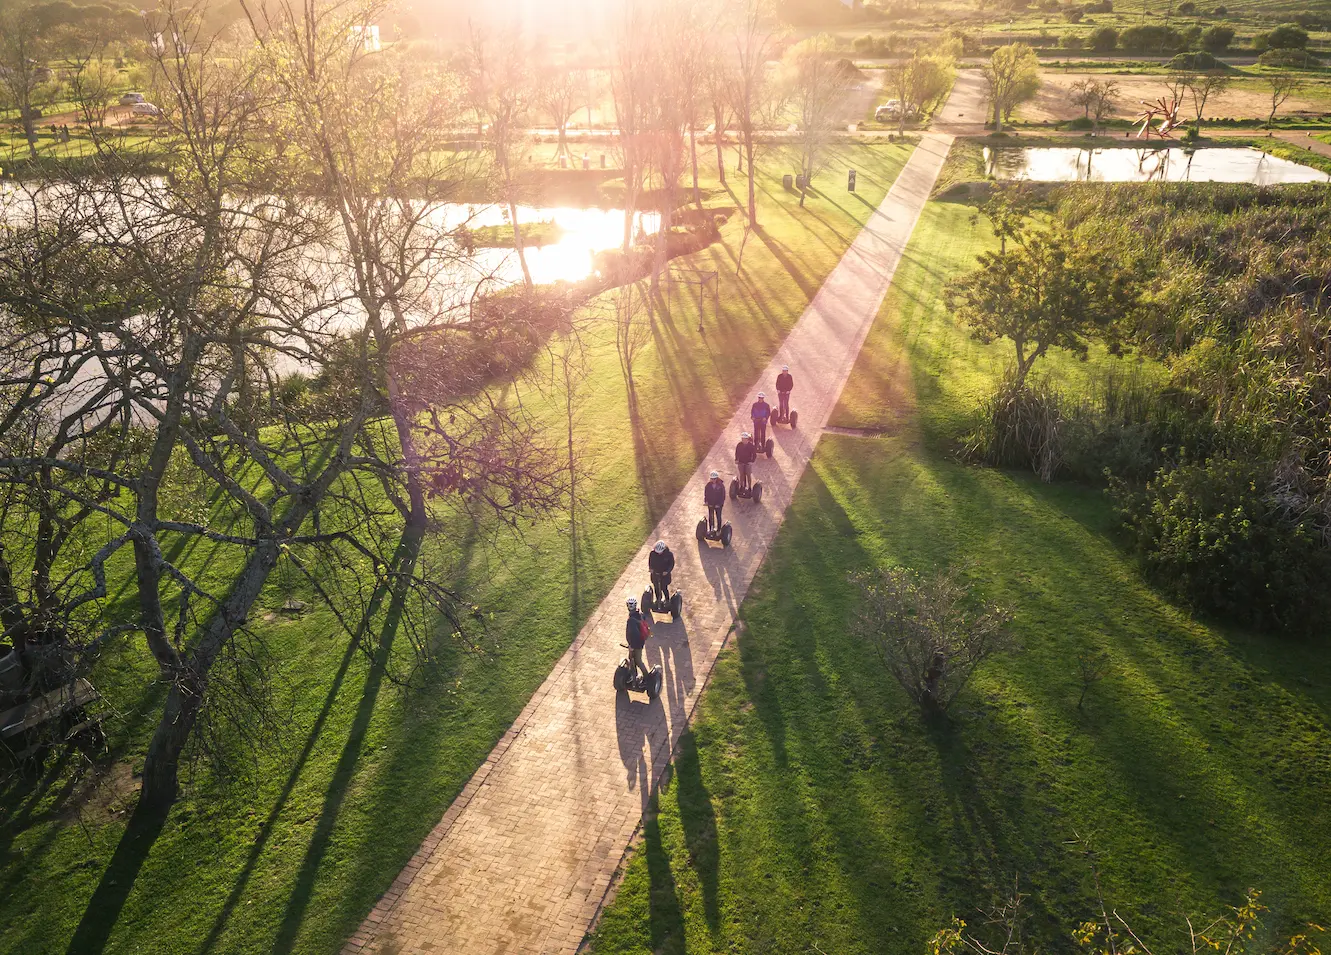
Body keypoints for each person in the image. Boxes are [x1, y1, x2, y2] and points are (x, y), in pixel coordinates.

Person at [625, 596, 649, 680]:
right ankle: (634, 675)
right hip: (640, 642)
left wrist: (631, 646)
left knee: (637, 660)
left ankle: (646, 677)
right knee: (633, 659)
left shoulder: (631, 620)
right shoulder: (640, 614)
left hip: (636, 644)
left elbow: (633, 634)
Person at [648, 539, 675, 603]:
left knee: (664, 588)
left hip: (664, 575)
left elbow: (671, 564)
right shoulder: (652, 553)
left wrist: (667, 571)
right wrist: (651, 568)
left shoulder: (669, 554)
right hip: (655, 574)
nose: (659, 553)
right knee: (656, 588)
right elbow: (650, 562)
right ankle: (658, 599)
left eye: (660, 552)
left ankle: (667, 599)